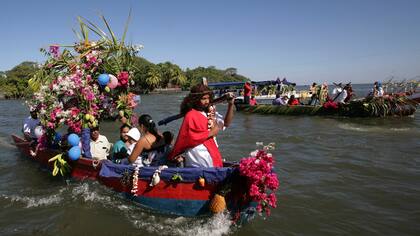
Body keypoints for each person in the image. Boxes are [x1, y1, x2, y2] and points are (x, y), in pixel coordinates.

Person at [168, 84, 235, 168]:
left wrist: (231, 105)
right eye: (203, 99)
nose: (207, 101)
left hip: (212, 150)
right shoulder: (190, 115)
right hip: (197, 154)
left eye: (208, 98)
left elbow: (226, 123)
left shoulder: (210, 112)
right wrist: (211, 132)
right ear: (195, 100)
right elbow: (188, 138)